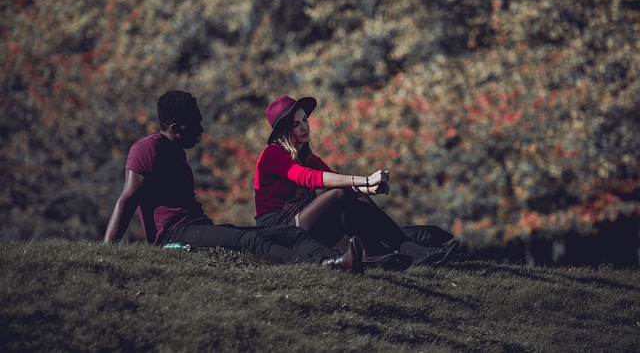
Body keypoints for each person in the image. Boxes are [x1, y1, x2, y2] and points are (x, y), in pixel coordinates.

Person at [104, 90, 364, 273]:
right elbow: (127, 200)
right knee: (246, 241)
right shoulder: (147, 149)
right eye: (195, 125)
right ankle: (324, 266)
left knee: (288, 232)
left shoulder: (178, 155)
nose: (201, 130)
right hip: (175, 234)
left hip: (197, 227)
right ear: (175, 128)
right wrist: (106, 254)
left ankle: (339, 260)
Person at [254, 95, 459, 267]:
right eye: (295, 124)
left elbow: (341, 184)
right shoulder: (272, 154)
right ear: (283, 131)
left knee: (351, 198)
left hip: (304, 229)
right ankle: (407, 249)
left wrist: (369, 187)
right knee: (341, 194)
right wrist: (366, 180)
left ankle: (384, 252)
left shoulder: (307, 157)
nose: (304, 127)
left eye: (305, 120)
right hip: (280, 232)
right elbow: (311, 179)